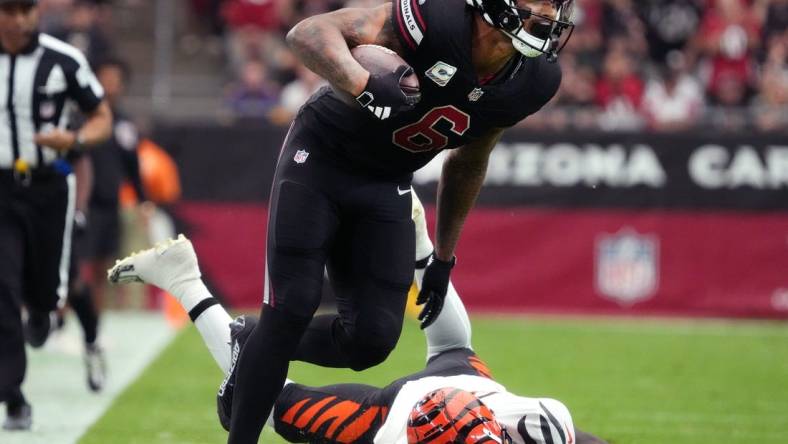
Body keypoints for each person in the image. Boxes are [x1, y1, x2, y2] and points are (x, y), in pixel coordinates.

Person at [210, 0, 575, 442]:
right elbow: (308, 34)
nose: (550, 11)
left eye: (556, 3)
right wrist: (363, 83)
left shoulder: (534, 80)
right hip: (322, 157)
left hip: (385, 181)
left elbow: (469, 159)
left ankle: (252, 341)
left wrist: (443, 258)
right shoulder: (437, 18)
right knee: (291, 306)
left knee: (371, 340)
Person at [108, 193, 607, 444]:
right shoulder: (393, 437)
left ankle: (419, 249)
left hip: (471, 389)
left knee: (454, 350)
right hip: (392, 411)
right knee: (275, 405)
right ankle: (186, 284)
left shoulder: (541, 422)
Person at [0, 0, 112, 430]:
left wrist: (76, 137)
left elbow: (100, 115)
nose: (20, 19)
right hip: (3, 186)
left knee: (48, 292)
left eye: (27, 8)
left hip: (49, 186)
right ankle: (12, 396)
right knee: (3, 288)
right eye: (10, 10)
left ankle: (45, 309)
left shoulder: (63, 60)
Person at [64, 56, 148, 393]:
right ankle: (62, 325)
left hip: (109, 204)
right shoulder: (78, 117)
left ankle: (94, 329)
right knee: (72, 269)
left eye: (116, 79)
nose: (111, 85)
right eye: (105, 78)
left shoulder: (124, 122)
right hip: (79, 203)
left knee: (100, 268)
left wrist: (142, 199)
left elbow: (133, 164)